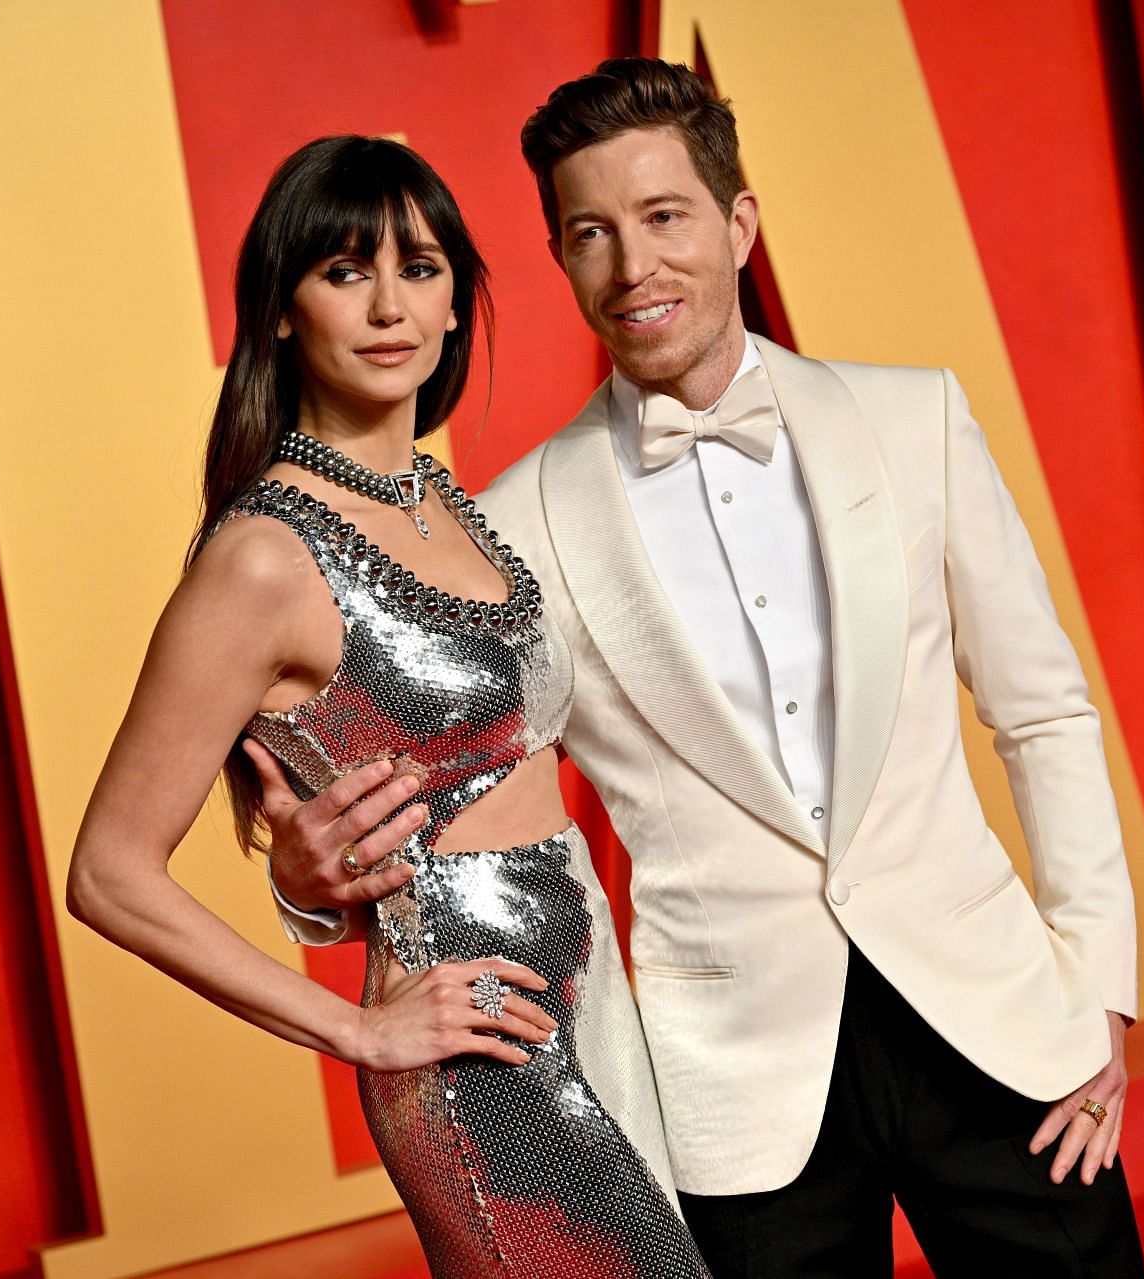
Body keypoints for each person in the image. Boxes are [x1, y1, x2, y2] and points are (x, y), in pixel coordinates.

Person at [263, 61, 1144, 1277]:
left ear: (739, 222)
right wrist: (315, 891)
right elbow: (452, 796)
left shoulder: (917, 421)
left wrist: (1097, 986)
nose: (635, 268)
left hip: (995, 1034)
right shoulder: (509, 523)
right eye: (591, 234)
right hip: (735, 1091)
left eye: (666, 217)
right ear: (561, 261)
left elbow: (1043, 713)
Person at [66, 134, 712, 1278]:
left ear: (460, 299)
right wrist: (360, 1031)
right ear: (280, 308)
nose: (388, 307)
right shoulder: (265, 557)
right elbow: (110, 870)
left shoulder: (448, 501)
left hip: (589, 987)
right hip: (476, 1038)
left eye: (418, 268)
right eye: (343, 271)